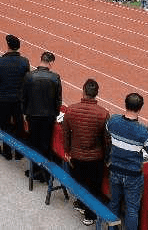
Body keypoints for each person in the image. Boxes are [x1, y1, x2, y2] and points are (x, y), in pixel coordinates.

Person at [62, 79, 110, 226]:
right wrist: (107, 158)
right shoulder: (103, 113)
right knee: (95, 188)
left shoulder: (71, 110)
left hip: (76, 156)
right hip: (96, 158)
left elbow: (66, 133)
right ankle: (90, 216)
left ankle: (82, 205)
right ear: (97, 94)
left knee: (80, 183)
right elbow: (106, 140)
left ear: (83, 91)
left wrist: (67, 152)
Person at [105, 93, 148, 230]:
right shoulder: (143, 131)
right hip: (133, 175)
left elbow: (107, 132)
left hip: (114, 170)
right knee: (132, 209)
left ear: (125, 105)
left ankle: (112, 228)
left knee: (114, 202)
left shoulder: (113, 121)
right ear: (140, 108)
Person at [22, 51, 61, 181]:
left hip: (32, 115)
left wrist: (25, 113)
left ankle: (34, 170)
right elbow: (58, 100)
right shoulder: (55, 78)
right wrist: (55, 114)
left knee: (33, 143)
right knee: (45, 145)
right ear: (50, 62)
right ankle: (45, 172)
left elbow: (24, 97)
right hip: (48, 117)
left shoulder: (29, 76)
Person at [0, 34, 30, 160]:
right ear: (18, 48)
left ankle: (7, 152)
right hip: (18, 100)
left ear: (8, 46)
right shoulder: (24, 62)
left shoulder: (0, 62)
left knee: (5, 125)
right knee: (19, 126)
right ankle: (19, 153)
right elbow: (27, 82)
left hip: (4, 99)